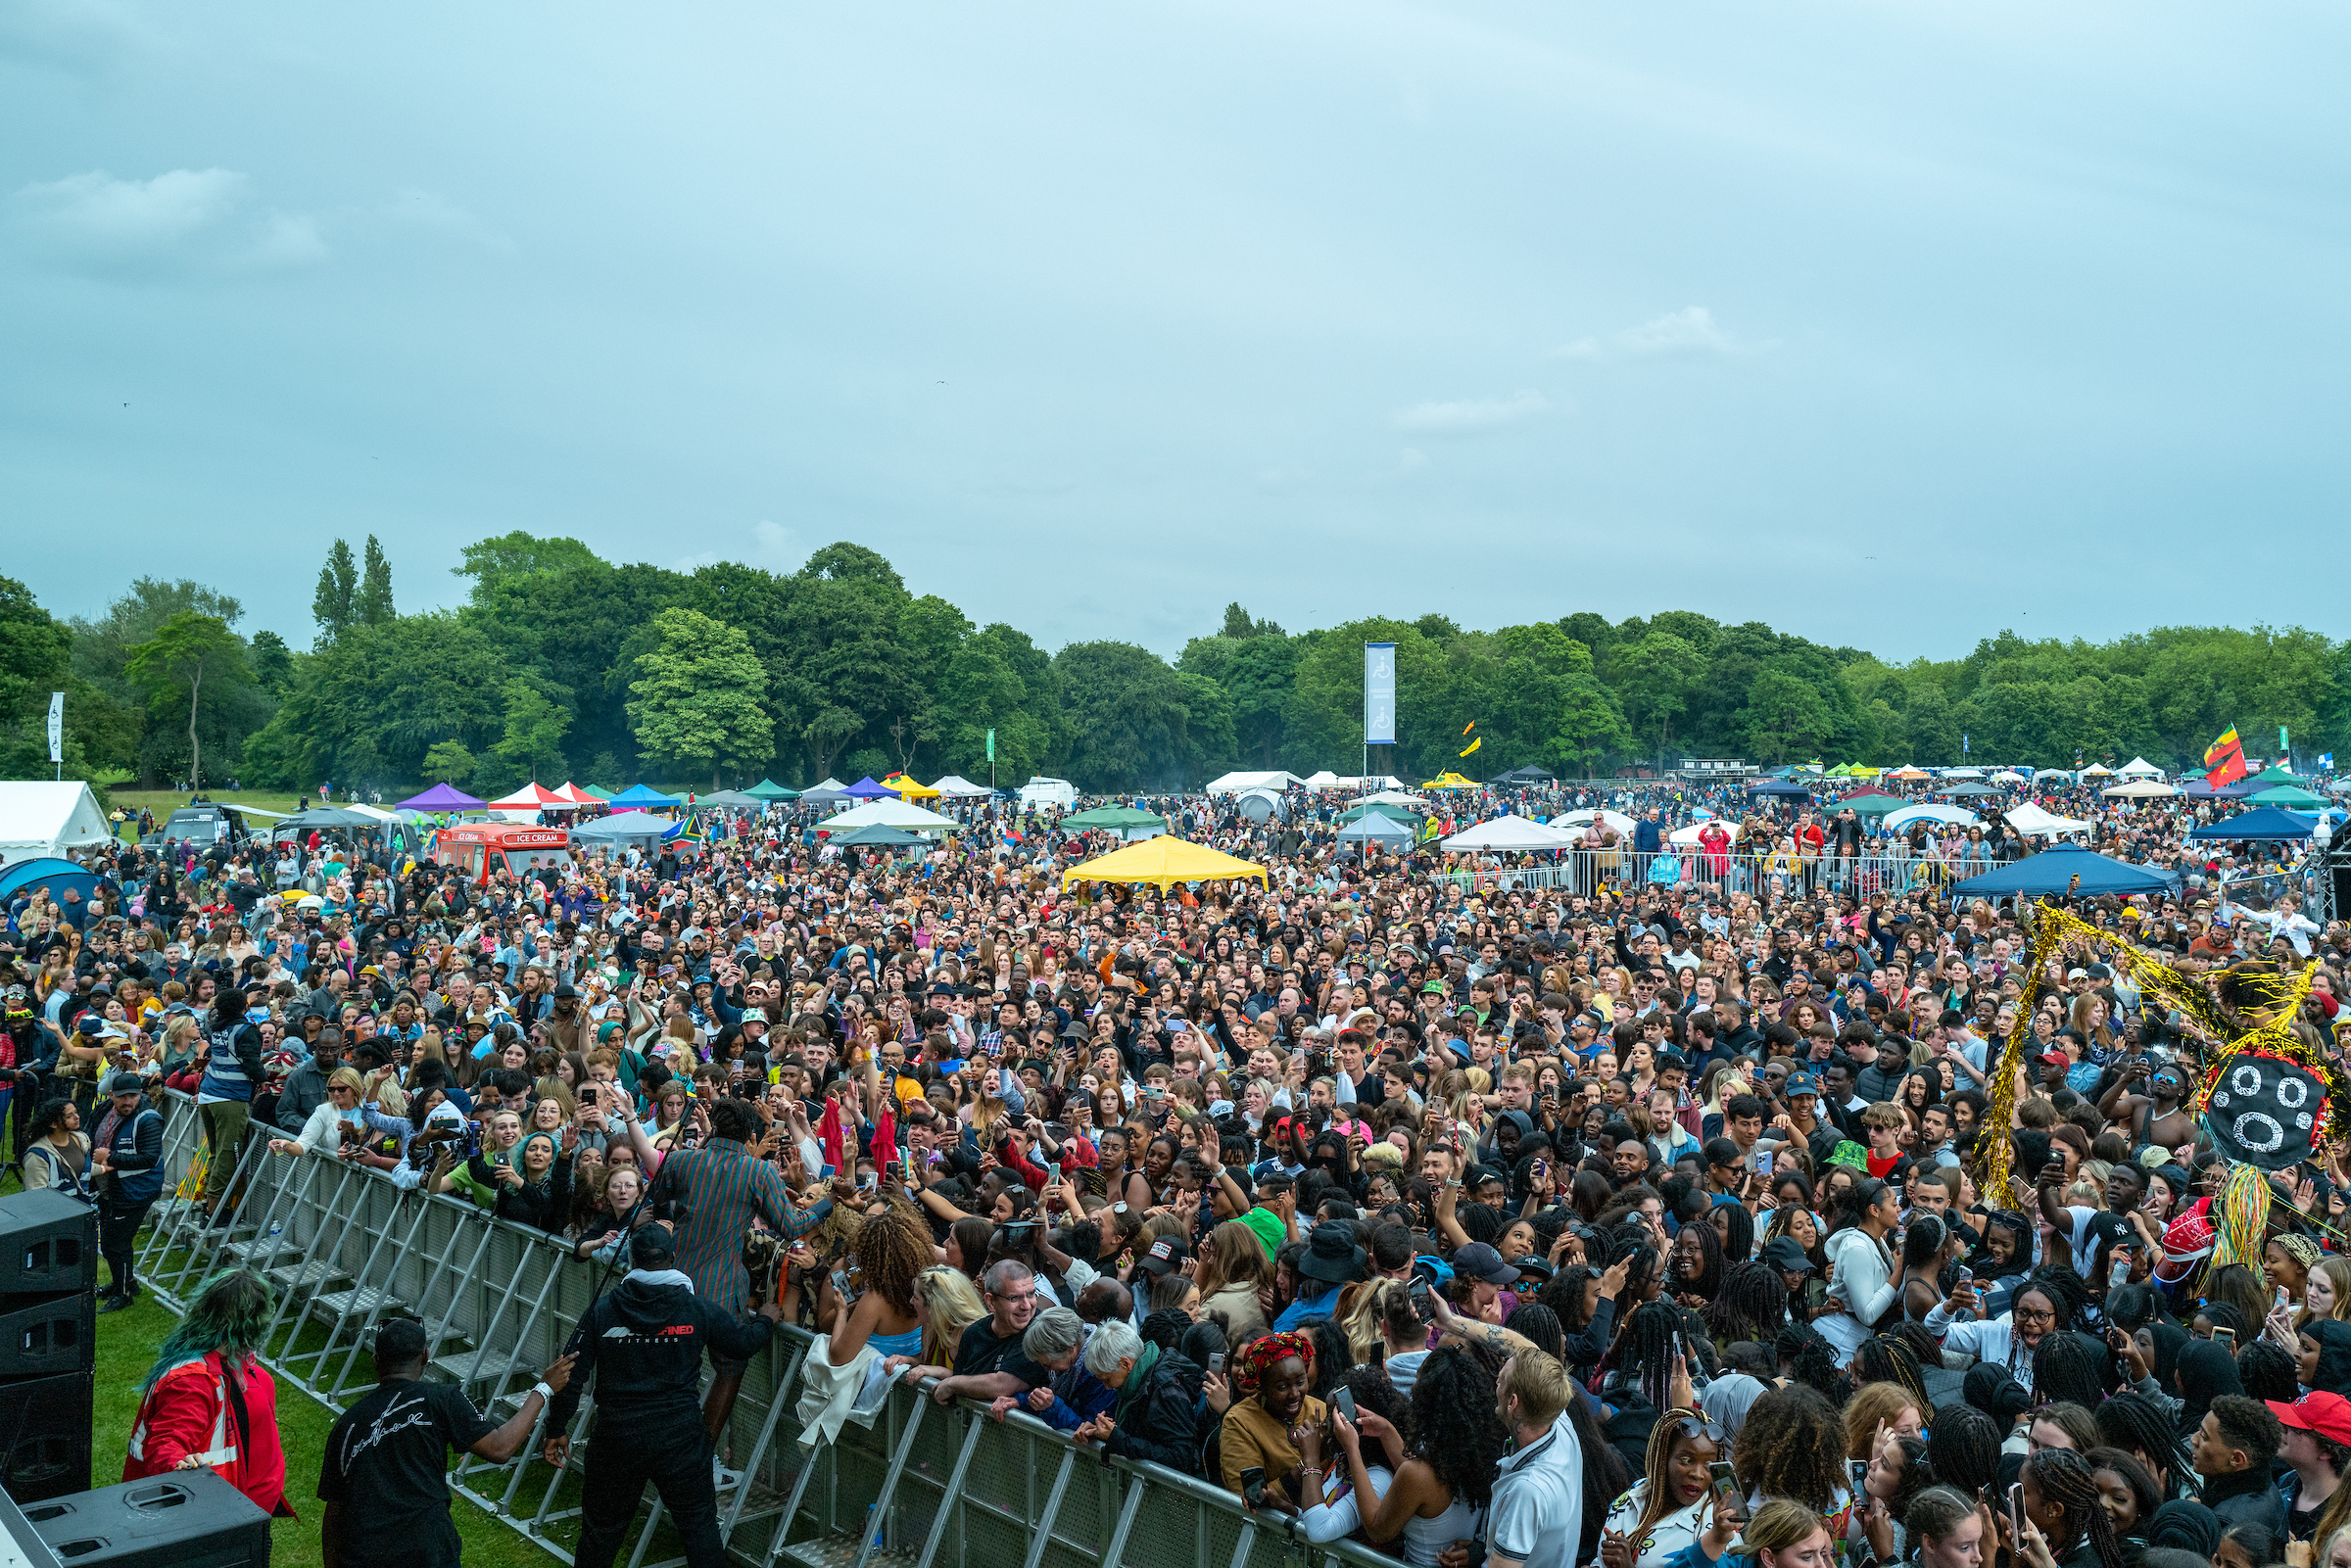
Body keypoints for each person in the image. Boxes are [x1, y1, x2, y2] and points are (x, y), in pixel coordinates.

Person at [542, 1224, 783, 1568]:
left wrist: (556, 1428)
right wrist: (766, 1320)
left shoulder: (604, 1310)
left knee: (601, 1533)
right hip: (679, 1439)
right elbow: (742, 1344)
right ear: (673, 1258)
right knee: (699, 1529)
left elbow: (570, 1373)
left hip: (617, 1439)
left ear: (632, 1260)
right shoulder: (697, 1308)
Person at [641, 1096, 840, 1449]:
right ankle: (702, 1453)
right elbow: (791, 1225)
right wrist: (828, 1203)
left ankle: (656, 1445)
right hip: (720, 1290)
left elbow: (656, 1195)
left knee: (665, 1363)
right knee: (730, 1368)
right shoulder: (757, 1170)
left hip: (672, 1282)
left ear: (714, 1127)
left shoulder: (682, 1160)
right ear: (750, 1132)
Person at [319, 1319, 577, 1568]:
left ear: (377, 1362)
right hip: (428, 1554)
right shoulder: (441, 1400)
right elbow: (500, 1448)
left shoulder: (347, 1425)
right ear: (425, 1356)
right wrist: (543, 1388)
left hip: (362, 1557)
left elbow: (334, 1512)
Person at [123, 1269, 290, 1517]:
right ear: (252, 1322)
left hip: (236, 1509)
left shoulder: (232, 1357)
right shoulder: (193, 1381)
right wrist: (178, 1465)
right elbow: (167, 1444)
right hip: (214, 1515)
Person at [1486, 1348, 1586, 1568]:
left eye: (1501, 1380)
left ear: (1512, 1403)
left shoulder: (1526, 1491)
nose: (1496, 1383)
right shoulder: (1557, 1419)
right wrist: (1452, 1321)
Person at [91, 1070, 165, 1311]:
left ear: (140, 1094)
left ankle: (122, 1293)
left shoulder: (148, 1119)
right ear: (111, 1095)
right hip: (111, 1188)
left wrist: (111, 1156)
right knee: (113, 1242)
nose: (127, 1101)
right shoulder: (104, 1110)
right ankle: (125, 1283)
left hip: (135, 1191)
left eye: (132, 1096)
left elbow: (149, 1158)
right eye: (122, 1097)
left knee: (116, 1243)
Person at [2191, 1394, 2286, 1534]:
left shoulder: (2227, 1527)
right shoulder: (2266, 1485)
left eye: (2204, 1437)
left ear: (2236, 1459)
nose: (2194, 1439)